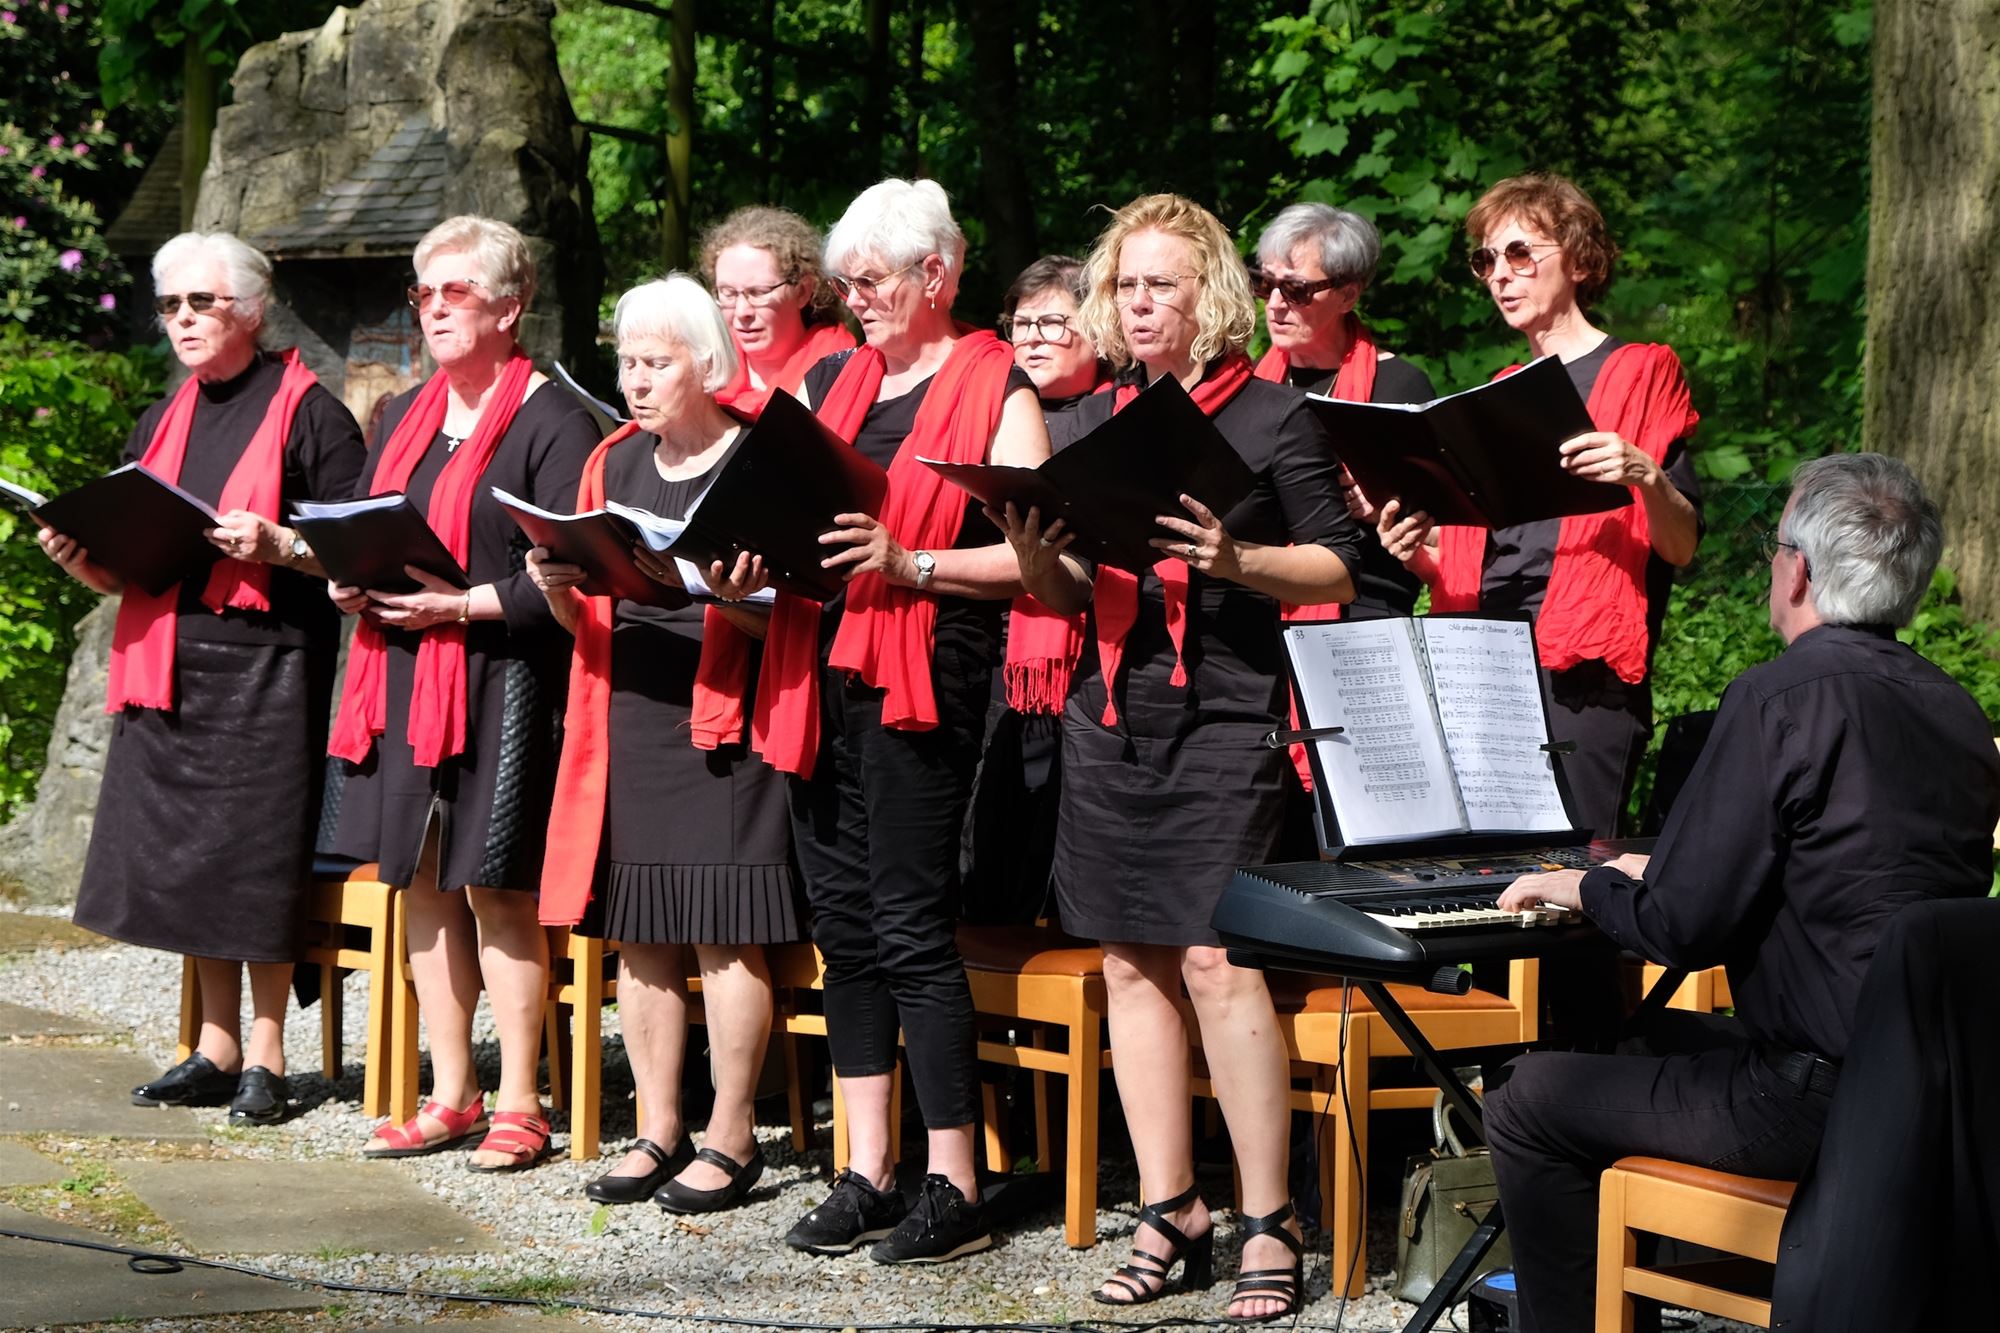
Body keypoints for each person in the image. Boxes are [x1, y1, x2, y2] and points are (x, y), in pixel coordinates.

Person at [1486, 452, 2000, 1333]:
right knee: (1628, 1039)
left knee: (1523, 1095)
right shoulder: (1957, 710)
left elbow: (1680, 928)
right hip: (1934, 1093)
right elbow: (1845, 877)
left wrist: (1586, 884)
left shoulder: (1778, 697)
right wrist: (1653, 876)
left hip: (1805, 1101)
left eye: (1773, 545)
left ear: (1798, 571)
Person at [999, 193, 1385, 1323]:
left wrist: (1235, 556)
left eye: (1159, 283)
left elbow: (1342, 566)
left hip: (1227, 714)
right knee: (1129, 962)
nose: (1138, 302)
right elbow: (1067, 595)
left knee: (1216, 959)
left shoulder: (1271, 415)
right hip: (1109, 714)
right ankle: (1170, 1207)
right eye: (1124, 284)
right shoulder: (1088, 420)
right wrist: (1033, 555)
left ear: (1207, 293)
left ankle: (1268, 1216)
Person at [762, 178, 1051, 1264]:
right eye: (843, 285)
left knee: (911, 925)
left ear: (935, 274)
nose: (855, 301)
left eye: (872, 281)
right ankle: (868, 1169)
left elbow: (1042, 561)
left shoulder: (998, 386)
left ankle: (955, 1182)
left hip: (924, 673)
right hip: (817, 670)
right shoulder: (835, 383)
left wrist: (910, 561)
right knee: (843, 929)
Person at [47, 232, 365, 1123]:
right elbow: (136, 563)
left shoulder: (311, 415)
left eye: (201, 302)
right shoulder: (161, 420)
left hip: (268, 666)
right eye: (170, 305)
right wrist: (83, 558)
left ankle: (267, 1053)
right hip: (168, 663)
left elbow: (354, 551)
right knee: (191, 861)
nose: (182, 319)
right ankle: (215, 1046)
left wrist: (279, 544)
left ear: (252, 310)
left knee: (254, 860)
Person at [328, 215, 601, 1171]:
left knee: (496, 888)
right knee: (423, 884)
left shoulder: (555, 421)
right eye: (424, 294)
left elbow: (575, 573)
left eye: (456, 292)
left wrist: (462, 604)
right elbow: (366, 520)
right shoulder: (403, 412)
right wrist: (349, 578)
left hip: (510, 676)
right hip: (407, 671)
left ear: (510, 307)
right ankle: (452, 1091)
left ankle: (522, 1098)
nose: (434, 309)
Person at [529, 276, 802, 1214]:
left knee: (724, 932)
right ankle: (657, 1126)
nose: (636, 381)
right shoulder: (612, 462)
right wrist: (558, 587)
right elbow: (585, 622)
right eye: (627, 362)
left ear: (706, 362)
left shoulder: (756, 458)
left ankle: (732, 1133)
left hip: (725, 720)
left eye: (656, 363)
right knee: (640, 933)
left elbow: (794, 619)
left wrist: (723, 594)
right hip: (631, 716)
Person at [1390, 173, 1701, 840]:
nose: (1500, 274)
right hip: (1483, 665)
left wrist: (1647, 476)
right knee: (1485, 875)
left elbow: (1681, 546)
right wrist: (1418, 551)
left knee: (1573, 881)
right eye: (1487, 259)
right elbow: (1489, 555)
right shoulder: (1499, 390)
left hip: (1581, 679)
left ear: (1580, 261)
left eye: (1520, 253)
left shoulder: (1640, 371)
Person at [1251, 201, 1436, 619]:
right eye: (1265, 284)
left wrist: (1384, 507)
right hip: (1259, 602)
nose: (1275, 303)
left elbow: (1451, 526)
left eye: (1296, 290)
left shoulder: (1399, 387)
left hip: (1366, 602)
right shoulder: (1254, 383)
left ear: (1347, 295)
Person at [701, 205, 855, 414]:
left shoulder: (841, 371)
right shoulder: (700, 372)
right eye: (727, 293)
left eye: (759, 292)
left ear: (802, 291)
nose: (742, 312)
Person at [999, 253, 1103, 444]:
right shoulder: (988, 416)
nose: (1032, 338)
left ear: (1097, 332)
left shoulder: (1125, 411)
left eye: (1051, 322)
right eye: (1022, 323)